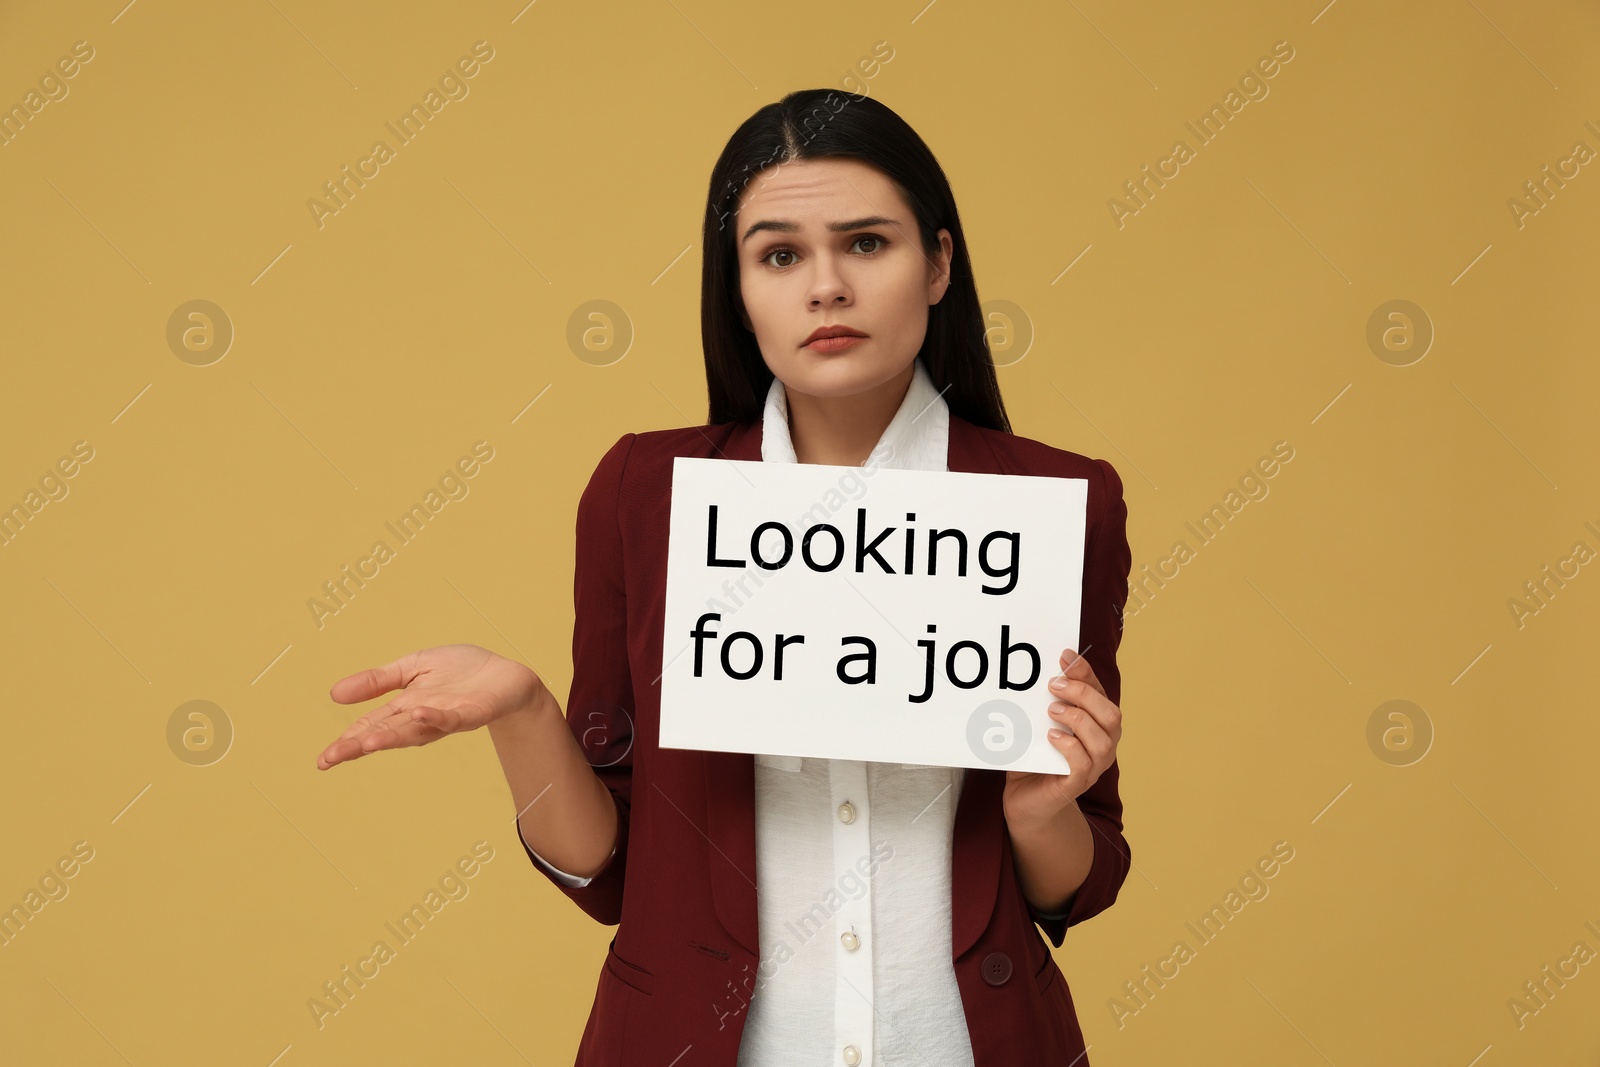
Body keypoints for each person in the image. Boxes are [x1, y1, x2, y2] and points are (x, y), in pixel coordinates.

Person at [317, 88, 1133, 1066]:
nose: (824, 287)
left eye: (866, 243)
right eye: (779, 254)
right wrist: (523, 710)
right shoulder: (644, 494)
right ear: (738, 289)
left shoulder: (1055, 502)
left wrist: (1040, 810)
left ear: (939, 264)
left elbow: (1075, 879)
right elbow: (610, 869)